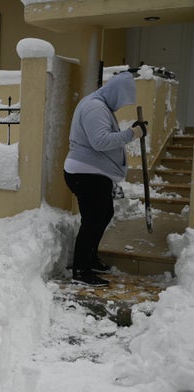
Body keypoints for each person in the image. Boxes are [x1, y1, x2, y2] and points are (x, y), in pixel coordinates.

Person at [64, 71, 144, 287]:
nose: (120, 105)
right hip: (86, 174)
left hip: (93, 173)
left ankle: (90, 259)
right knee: (92, 221)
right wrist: (132, 133)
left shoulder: (99, 105)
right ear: (116, 93)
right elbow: (100, 141)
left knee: (104, 214)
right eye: (122, 99)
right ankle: (81, 270)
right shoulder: (95, 107)